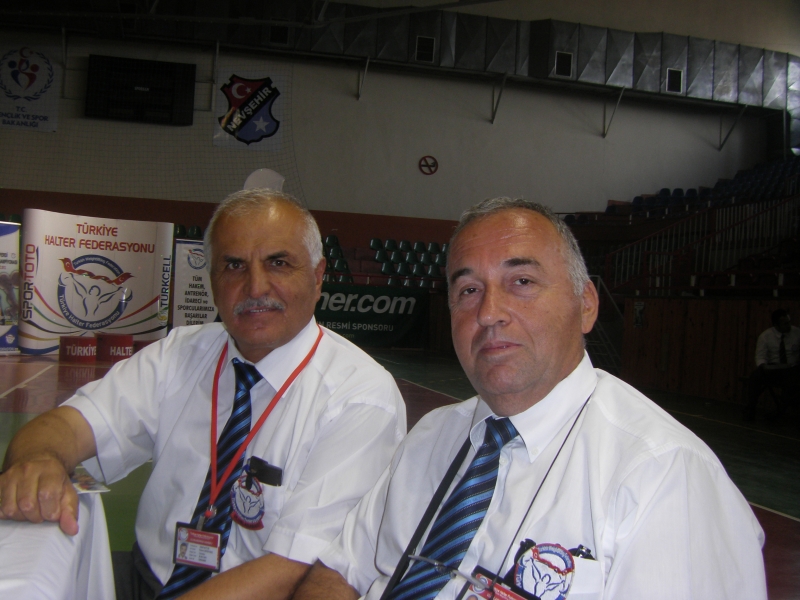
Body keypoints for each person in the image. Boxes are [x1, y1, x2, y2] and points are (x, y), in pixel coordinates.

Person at [293, 197, 766, 600]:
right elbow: (339, 570)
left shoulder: (662, 475)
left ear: (586, 304)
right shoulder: (431, 437)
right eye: (469, 290)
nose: (489, 313)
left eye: (522, 282)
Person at [0, 189, 407, 600]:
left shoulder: (359, 397)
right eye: (234, 265)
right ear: (212, 280)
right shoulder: (179, 354)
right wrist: (40, 459)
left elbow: (296, 568)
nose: (255, 287)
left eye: (278, 263)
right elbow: (68, 425)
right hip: (146, 579)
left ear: (317, 277)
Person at [744, 308, 800, 422]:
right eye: (785, 324)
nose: (788, 326)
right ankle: (751, 408)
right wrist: (763, 366)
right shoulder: (766, 336)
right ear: (776, 325)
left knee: (793, 382)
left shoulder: (797, 333)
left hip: (792, 368)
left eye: (789, 322)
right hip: (773, 368)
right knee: (755, 377)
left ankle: (780, 411)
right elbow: (760, 356)